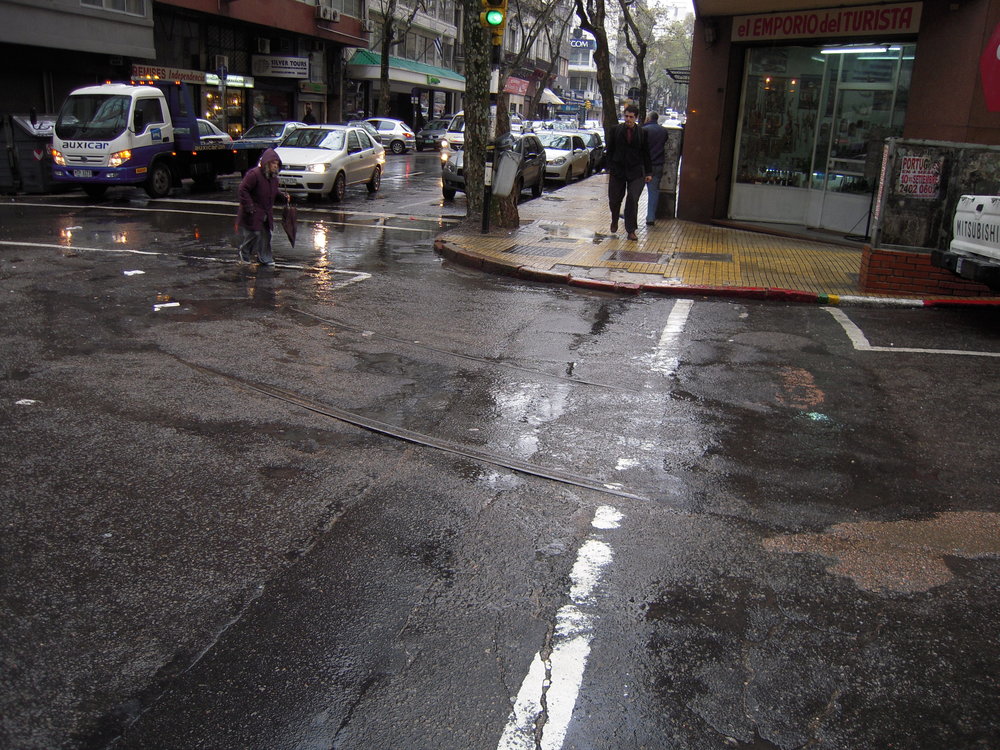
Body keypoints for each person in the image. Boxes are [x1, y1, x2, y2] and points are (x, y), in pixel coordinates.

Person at [606, 104, 652, 241]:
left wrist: (648, 172)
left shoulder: (643, 133)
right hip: (618, 170)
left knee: (632, 199)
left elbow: (646, 154)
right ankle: (614, 219)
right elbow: (610, 150)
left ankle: (631, 230)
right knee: (614, 199)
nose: (628, 119)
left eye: (631, 117)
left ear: (636, 118)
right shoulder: (615, 130)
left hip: (636, 171)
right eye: (626, 116)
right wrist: (609, 168)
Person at [236, 148, 284, 266]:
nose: (275, 166)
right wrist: (249, 205)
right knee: (254, 233)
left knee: (266, 235)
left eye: (277, 164)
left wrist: (283, 196)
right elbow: (243, 189)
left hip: (266, 212)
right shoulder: (254, 174)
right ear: (267, 163)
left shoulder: (273, 178)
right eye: (273, 163)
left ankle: (265, 258)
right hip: (253, 212)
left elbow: (273, 191)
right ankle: (245, 252)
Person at [643, 112, 669, 226]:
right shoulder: (663, 131)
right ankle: (651, 217)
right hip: (658, 164)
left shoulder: (644, 130)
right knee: (653, 192)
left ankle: (629, 212)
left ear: (648, 118)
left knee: (635, 191)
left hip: (644, 165)